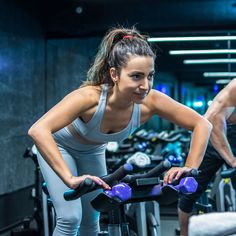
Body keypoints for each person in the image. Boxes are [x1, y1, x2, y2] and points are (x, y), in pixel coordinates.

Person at [28, 26, 212, 236]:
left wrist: (189, 167)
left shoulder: (152, 102)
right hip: (60, 147)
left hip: (93, 151)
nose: (145, 85)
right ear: (114, 74)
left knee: (92, 218)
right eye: (136, 76)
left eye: (149, 76)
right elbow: (38, 130)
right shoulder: (89, 98)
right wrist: (69, 178)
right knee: (70, 218)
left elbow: (202, 124)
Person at [178, 78, 236, 236]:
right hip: (211, 134)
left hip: (232, 133)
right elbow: (214, 122)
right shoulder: (234, 88)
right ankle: (185, 233)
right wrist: (232, 161)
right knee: (190, 188)